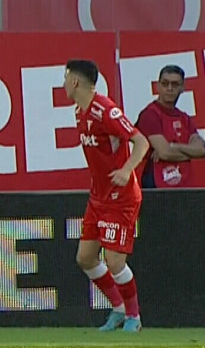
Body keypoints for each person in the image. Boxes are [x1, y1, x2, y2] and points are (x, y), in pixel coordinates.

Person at [64, 60, 150, 333]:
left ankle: (134, 318)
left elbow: (141, 142)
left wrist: (126, 170)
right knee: (85, 258)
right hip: (98, 197)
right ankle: (118, 309)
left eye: (65, 78)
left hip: (121, 197)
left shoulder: (106, 111)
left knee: (115, 262)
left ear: (75, 81)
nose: (63, 84)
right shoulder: (79, 112)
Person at [135, 65, 205, 188]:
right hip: (156, 184)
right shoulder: (150, 114)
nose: (169, 88)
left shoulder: (184, 118)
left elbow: (202, 150)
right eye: (165, 83)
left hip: (183, 184)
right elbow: (164, 152)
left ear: (182, 87)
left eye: (174, 84)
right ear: (158, 86)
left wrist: (175, 146)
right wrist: (189, 152)